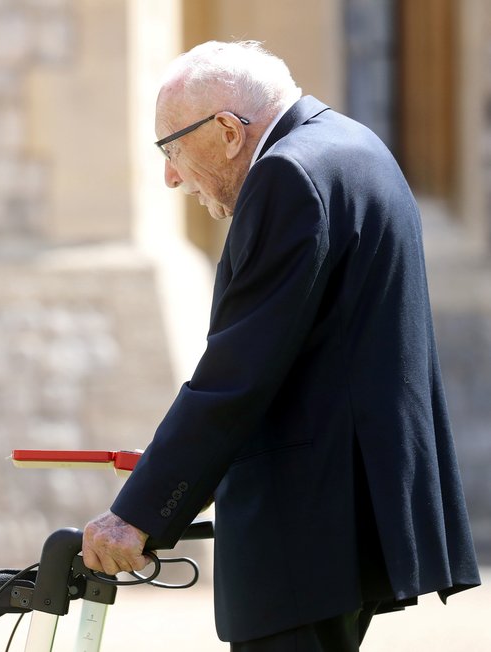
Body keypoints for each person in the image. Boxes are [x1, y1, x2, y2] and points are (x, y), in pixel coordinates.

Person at [82, 41, 481, 651]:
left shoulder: (288, 174)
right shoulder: (352, 145)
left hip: (305, 524)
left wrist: (134, 514)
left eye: (173, 147)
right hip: (351, 508)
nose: (169, 175)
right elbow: (308, 356)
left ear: (227, 131)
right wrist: (185, 469)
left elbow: (240, 371)